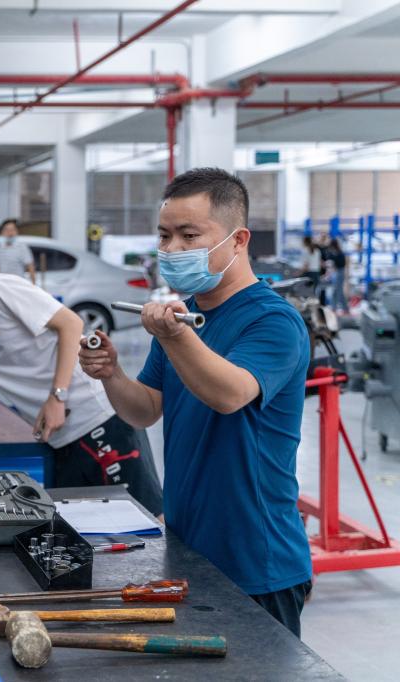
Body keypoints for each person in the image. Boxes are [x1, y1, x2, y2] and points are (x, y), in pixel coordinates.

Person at [79, 168, 312, 637]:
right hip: (188, 549)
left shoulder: (273, 321)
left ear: (238, 239)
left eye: (189, 236)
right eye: (164, 236)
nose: (172, 249)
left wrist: (174, 336)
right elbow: (145, 409)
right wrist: (112, 374)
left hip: (256, 561)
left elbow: (229, 395)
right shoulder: (186, 317)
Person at [0, 273, 163, 515]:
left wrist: (57, 396)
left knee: (146, 517)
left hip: (98, 415)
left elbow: (71, 323)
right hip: (59, 435)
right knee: (73, 527)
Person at [0, 218, 36, 283]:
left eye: (12, 230)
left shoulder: (21, 247)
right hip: (3, 284)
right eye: (7, 230)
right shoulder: (0, 248)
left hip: (17, 284)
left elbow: (30, 266)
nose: (10, 233)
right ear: (2, 232)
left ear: (16, 231)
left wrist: (33, 284)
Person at [326, 238, 348, 313]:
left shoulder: (339, 253)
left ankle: (336, 307)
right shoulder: (336, 253)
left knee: (337, 291)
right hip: (337, 272)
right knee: (338, 291)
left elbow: (341, 264)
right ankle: (342, 308)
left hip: (340, 272)